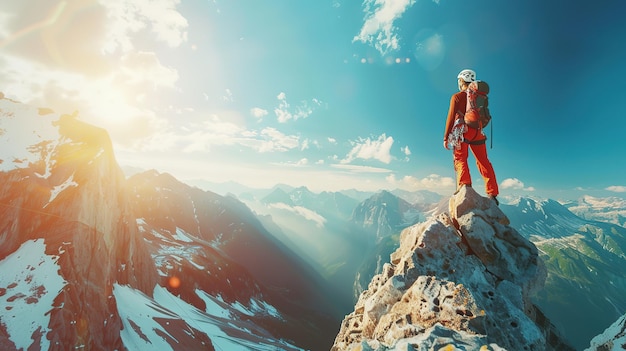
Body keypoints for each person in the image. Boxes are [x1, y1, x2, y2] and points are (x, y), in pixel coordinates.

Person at [443, 69, 499, 205]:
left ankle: (464, 186)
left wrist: (446, 137)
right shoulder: (478, 96)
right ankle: (492, 194)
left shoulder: (457, 96)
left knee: (460, 157)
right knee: (483, 161)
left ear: (461, 81)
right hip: (478, 131)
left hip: (463, 130)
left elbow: (451, 116)